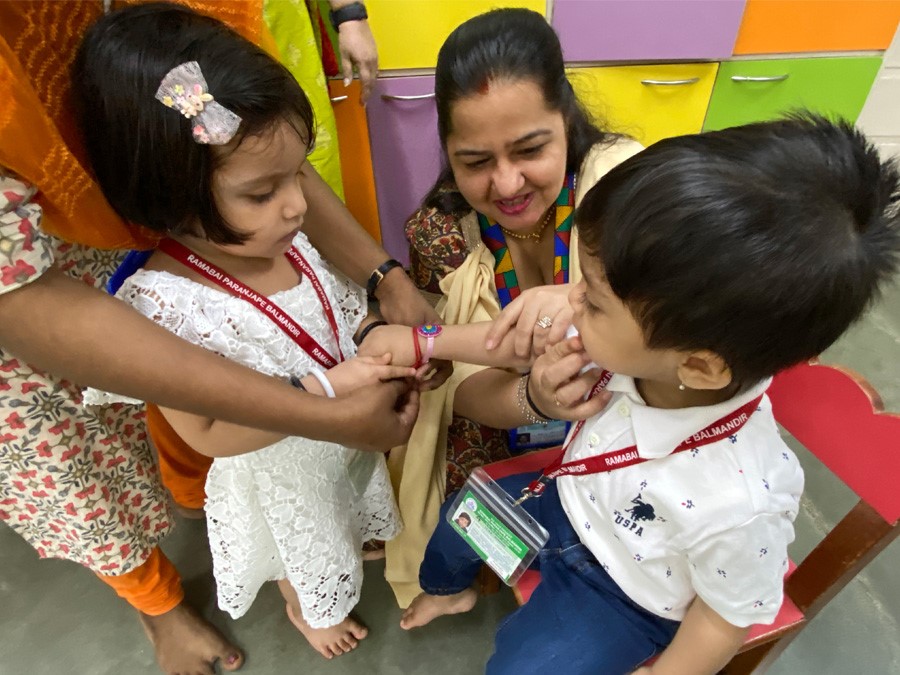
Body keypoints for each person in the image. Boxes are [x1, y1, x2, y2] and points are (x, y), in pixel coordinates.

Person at [0, 1, 433, 672]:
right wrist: (325, 399)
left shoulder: (283, 236)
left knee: (340, 509)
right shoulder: (164, 302)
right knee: (301, 545)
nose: (297, 205)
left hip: (332, 444)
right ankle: (297, 600)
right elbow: (204, 427)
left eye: (298, 176)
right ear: (173, 196)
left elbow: (328, 295)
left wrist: (381, 315)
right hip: (277, 470)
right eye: (265, 192)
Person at [397, 115, 900, 673]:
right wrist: (424, 343)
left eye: (592, 298)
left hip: (628, 597)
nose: (572, 299)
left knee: (520, 668)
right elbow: (503, 347)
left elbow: (722, 618)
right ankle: (450, 590)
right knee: (460, 517)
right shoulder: (640, 340)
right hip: (567, 502)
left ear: (699, 366)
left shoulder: (741, 505)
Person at [386, 7, 643, 607]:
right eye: (475, 162)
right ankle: (482, 578)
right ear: (447, 151)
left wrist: (580, 298)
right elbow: (463, 390)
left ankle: (579, 582)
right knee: (451, 476)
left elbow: (679, 310)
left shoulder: (621, 187)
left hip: (625, 406)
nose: (506, 186)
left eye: (530, 149)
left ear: (566, 121)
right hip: (514, 414)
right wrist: (538, 400)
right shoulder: (440, 234)